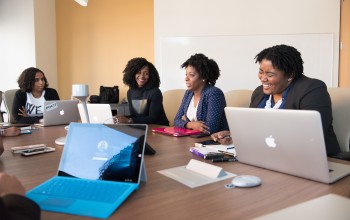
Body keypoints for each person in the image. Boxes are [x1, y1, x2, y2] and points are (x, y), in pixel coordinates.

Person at [212, 44, 341, 156]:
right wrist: (235, 136)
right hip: (268, 156)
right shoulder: (259, 93)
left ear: (290, 75)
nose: (263, 78)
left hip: (314, 160)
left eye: (270, 74)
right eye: (261, 72)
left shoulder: (312, 89)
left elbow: (309, 137)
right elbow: (254, 129)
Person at [174, 53, 228, 134]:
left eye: (191, 75)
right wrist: (191, 124)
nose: (186, 78)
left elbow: (210, 127)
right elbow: (176, 121)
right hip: (191, 139)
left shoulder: (214, 93)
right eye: (186, 75)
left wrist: (185, 122)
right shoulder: (188, 93)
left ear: (204, 77)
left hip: (212, 142)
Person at [114, 58, 169, 126]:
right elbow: (134, 116)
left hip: (158, 128)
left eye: (146, 73)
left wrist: (128, 120)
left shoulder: (155, 92)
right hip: (142, 127)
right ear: (132, 74)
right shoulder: (130, 92)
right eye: (138, 72)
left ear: (151, 76)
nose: (142, 76)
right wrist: (122, 118)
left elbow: (152, 118)